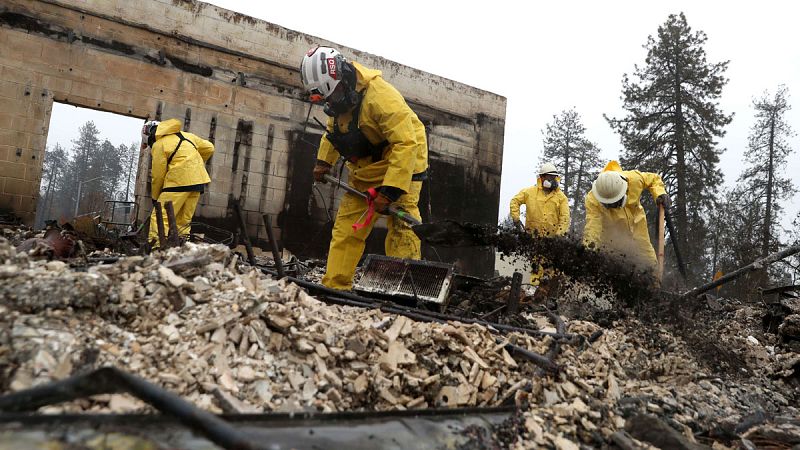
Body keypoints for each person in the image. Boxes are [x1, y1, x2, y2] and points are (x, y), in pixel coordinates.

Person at [300, 45, 428, 290]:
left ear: (343, 78)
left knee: (403, 226)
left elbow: (405, 143)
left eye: (333, 95)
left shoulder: (381, 98)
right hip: (367, 167)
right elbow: (334, 131)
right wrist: (323, 161)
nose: (331, 102)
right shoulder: (339, 101)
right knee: (347, 227)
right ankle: (335, 285)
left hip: (404, 159)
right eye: (327, 99)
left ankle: (406, 288)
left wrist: (389, 192)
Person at [583, 160, 669, 274]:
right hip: (613, 236)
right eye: (607, 204)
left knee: (649, 261)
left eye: (614, 203)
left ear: (623, 192)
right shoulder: (592, 199)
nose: (612, 206)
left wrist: (659, 193)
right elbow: (593, 227)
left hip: (637, 225)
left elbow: (653, 179)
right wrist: (588, 251)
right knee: (616, 269)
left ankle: (655, 286)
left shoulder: (634, 179)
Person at [143, 118, 214, 248]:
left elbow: (157, 175)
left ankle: (157, 248)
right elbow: (210, 147)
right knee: (184, 220)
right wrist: (194, 164)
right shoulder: (188, 136)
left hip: (177, 182)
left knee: (160, 216)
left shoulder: (159, 145)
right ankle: (181, 248)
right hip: (198, 182)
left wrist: (155, 196)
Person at [509, 162, 570, 286]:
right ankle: (534, 289)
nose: (552, 180)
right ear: (541, 178)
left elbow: (565, 218)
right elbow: (515, 201)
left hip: (552, 241)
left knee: (551, 269)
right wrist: (516, 219)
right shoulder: (530, 192)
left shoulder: (561, 198)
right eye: (549, 177)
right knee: (536, 266)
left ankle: (550, 292)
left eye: (554, 178)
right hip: (534, 238)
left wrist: (559, 236)